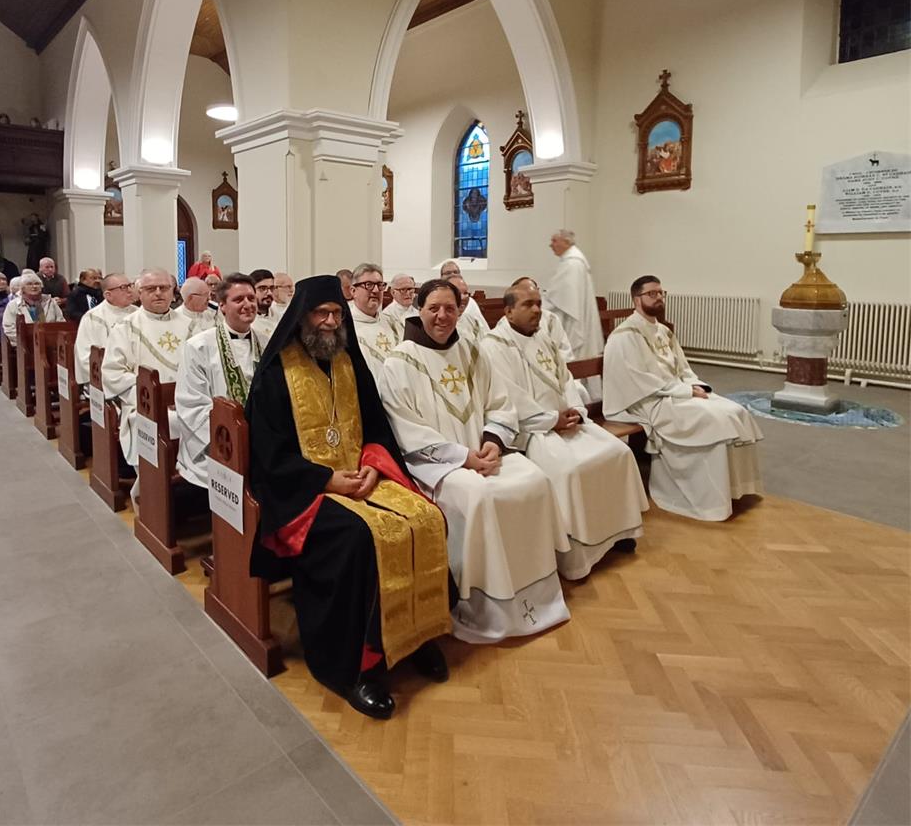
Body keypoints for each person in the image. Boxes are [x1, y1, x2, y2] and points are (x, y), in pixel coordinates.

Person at [246, 275, 451, 720]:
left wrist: (375, 465)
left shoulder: (350, 363)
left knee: (425, 516)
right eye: (321, 313)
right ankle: (356, 667)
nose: (330, 322)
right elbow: (269, 455)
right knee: (357, 538)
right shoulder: (276, 375)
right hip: (304, 492)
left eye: (337, 314)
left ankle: (416, 636)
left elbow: (378, 427)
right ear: (301, 318)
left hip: (363, 477)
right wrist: (326, 480)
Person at [380, 279, 570, 643]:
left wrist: (493, 441)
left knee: (535, 479)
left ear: (460, 311)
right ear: (418, 310)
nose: (442, 316)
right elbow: (406, 429)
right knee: (478, 497)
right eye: (434, 308)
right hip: (436, 467)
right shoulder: (398, 362)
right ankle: (482, 607)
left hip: (482, 453)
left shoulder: (472, 350)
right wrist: (463, 457)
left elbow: (499, 403)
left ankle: (537, 595)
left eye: (450, 308)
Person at [481, 281, 648, 578]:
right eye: (528, 305)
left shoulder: (543, 338)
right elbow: (508, 397)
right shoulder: (494, 347)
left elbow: (567, 380)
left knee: (618, 452)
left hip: (568, 422)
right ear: (508, 311)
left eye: (538, 303)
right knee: (571, 470)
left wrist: (576, 411)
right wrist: (550, 419)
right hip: (533, 430)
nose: (536, 310)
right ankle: (576, 554)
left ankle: (619, 532)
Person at [603, 276, 764, 521]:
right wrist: (685, 392)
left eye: (661, 293)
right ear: (636, 299)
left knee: (735, 411)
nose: (659, 297)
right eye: (652, 294)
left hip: (674, 392)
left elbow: (683, 368)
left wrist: (694, 385)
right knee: (715, 420)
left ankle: (734, 490)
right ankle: (707, 501)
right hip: (647, 401)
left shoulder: (663, 331)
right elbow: (638, 381)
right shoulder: (624, 336)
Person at [176, 274, 262, 491]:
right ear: (222, 305)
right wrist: (235, 435)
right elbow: (192, 403)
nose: (247, 304)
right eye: (238, 299)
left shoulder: (266, 342)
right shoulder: (198, 346)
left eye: (251, 298)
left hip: (262, 439)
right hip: (218, 442)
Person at [101, 269, 191, 472]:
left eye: (164, 288)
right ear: (139, 293)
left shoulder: (190, 326)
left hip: (187, 403)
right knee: (166, 423)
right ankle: (154, 484)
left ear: (173, 292)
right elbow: (113, 374)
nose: (158, 293)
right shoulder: (125, 327)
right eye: (150, 288)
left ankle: (193, 483)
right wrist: (155, 400)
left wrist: (186, 399)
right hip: (145, 404)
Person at [545, 229, 603, 368]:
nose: (551, 245)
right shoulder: (574, 260)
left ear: (566, 242)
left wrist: (536, 304)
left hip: (572, 320)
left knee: (574, 360)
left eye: (554, 241)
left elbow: (558, 298)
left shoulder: (572, 264)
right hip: (578, 315)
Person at [73, 273, 135, 385]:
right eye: (123, 287)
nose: (130, 291)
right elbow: (85, 357)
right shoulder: (93, 318)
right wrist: (115, 377)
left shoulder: (138, 313)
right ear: (108, 295)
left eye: (130, 285)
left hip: (135, 375)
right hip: (104, 379)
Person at [348, 262, 398, 386]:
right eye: (368, 285)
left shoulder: (393, 323)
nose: (376, 290)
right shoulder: (345, 327)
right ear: (353, 291)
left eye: (380, 285)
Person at [2, 271, 64, 342]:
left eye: (37, 284)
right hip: (23, 344)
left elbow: (61, 323)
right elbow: (9, 328)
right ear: (23, 288)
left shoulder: (51, 302)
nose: (34, 286)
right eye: (29, 284)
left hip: (52, 342)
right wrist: (28, 342)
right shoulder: (13, 305)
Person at [440, 260, 489, 335]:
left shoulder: (471, 303)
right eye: (448, 273)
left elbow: (483, 331)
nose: (453, 275)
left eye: (456, 272)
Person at [447, 275, 485, 344]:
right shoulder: (440, 324)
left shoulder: (472, 321)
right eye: (457, 293)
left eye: (465, 293)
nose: (463, 298)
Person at [250, 268, 277, 341]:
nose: (269, 293)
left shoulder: (281, 316)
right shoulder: (246, 321)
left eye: (272, 288)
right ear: (251, 290)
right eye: (262, 288)